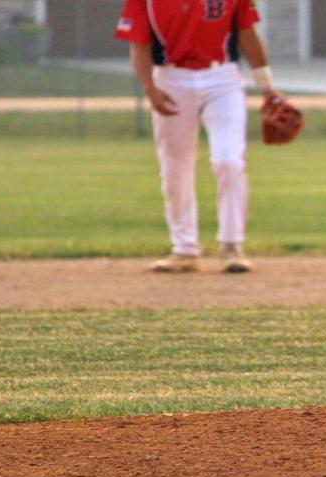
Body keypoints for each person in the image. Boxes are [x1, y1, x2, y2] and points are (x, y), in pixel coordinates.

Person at [115, 0, 281, 273]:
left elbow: (248, 35)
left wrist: (267, 89)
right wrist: (149, 88)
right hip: (170, 78)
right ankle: (184, 250)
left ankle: (231, 246)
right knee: (175, 166)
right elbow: (139, 44)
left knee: (229, 160)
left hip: (222, 78)